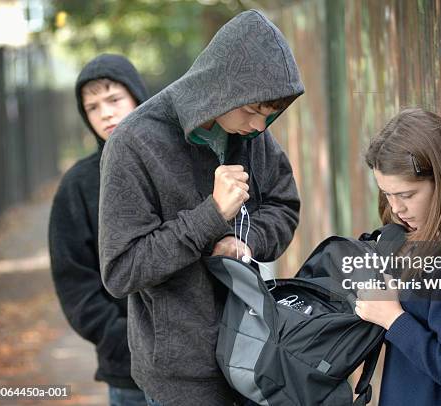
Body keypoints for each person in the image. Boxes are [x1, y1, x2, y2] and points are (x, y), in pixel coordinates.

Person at [98, 10, 304, 406]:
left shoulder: (249, 131)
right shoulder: (132, 144)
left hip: (257, 353)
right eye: (252, 111)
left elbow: (284, 205)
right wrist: (210, 217)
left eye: (269, 114)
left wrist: (244, 242)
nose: (261, 127)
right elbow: (121, 269)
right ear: (222, 89)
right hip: (183, 380)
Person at [355, 107, 441, 405]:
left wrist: (394, 320)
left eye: (406, 195)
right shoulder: (417, 243)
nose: (396, 208)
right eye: (387, 194)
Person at [48, 54, 149, 406]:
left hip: (199, 365)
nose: (105, 113)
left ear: (137, 96)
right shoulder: (77, 186)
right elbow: (73, 280)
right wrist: (121, 339)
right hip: (128, 372)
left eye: (114, 99)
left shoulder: (176, 161)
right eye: (92, 106)